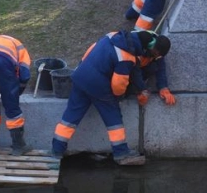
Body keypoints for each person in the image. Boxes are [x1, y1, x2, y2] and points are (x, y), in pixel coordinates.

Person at [51, 30, 171, 165]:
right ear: (146, 47)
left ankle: (56, 150)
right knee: (113, 119)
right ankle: (121, 152)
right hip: (98, 86)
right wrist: (118, 98)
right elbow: (118, 84)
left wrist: (142, 87)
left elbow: (90, 51)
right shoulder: (126, 56)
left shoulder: (114, 36)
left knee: (70, 117)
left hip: (80, 77)